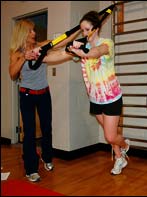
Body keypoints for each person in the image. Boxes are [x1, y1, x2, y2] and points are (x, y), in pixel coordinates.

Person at [9, 19, 81, 182]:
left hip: (43, 93)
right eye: (31, 31)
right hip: (27, 95)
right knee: (29, 132)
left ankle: (47, 158)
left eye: (34, 30)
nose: (34, 33)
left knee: (47, 128)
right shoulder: (17, 53)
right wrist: (23, 58)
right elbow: (12, 74)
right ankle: (31, 169)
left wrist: (80, 28)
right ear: (23, 34)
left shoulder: (42, 46)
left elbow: (65, 39)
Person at [67, 11, 130, 175]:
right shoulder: (83, 45)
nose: (85, 33)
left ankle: (124, 145)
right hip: (95, 98)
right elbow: (65, 53)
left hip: (111, 96)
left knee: (110, 137)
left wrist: (82, 52)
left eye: (87, 29)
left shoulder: (106, 43)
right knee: (110, 133)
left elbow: (96, 52)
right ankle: (119, 158)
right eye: (82, 30)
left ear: (96, 28)